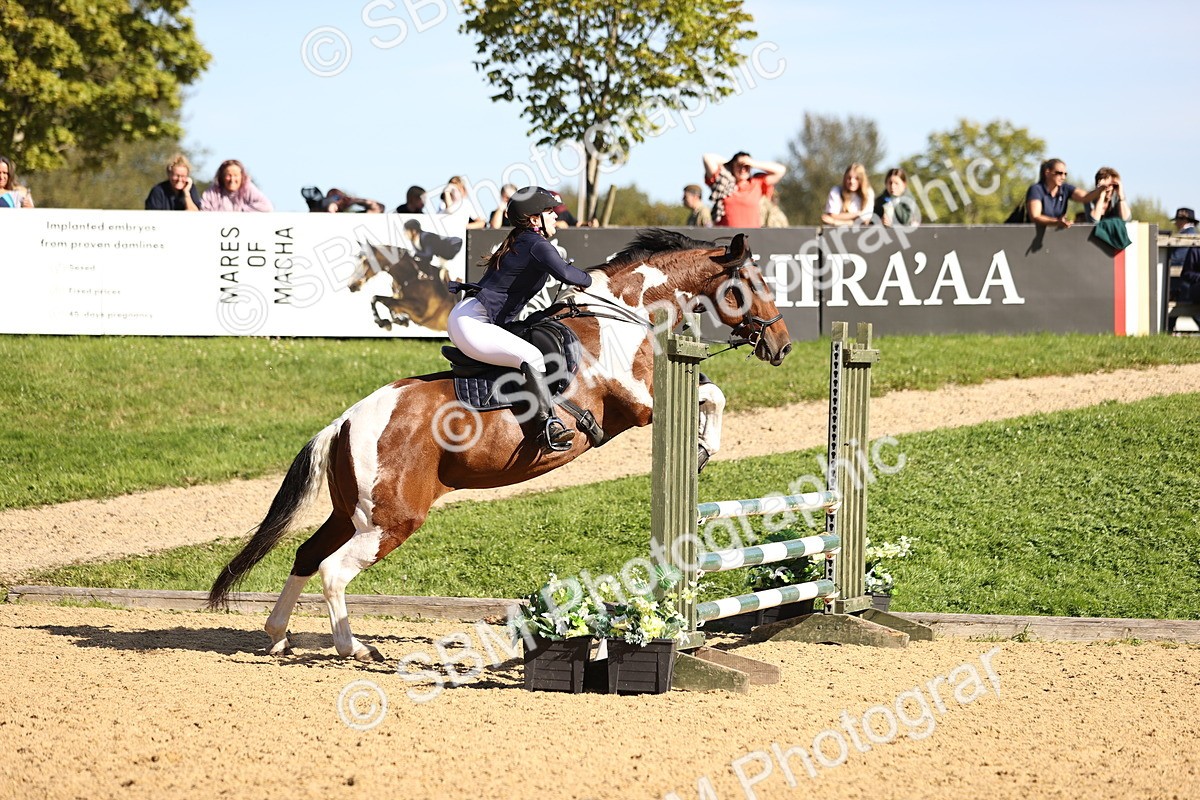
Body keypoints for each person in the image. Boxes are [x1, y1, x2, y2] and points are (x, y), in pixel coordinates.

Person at [446, 186, 593, 453]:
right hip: (473, 322)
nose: (556, 217)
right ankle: (548, 425)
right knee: (532, 356)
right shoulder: (536, 244)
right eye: (550, 212)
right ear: (534, 218)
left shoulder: (525, 240)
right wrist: (594, 278)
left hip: (470, 317)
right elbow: (569, 275)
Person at [703, 151, 786, 228]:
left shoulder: (757, 183)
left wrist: (753, 163)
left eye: (746, 166)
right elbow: (707, 158)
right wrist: (730, 162)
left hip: (750, 236)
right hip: (726, 235)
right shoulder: (723, 183)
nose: (743, 169)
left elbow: (781, 170)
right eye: (739, 166)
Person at [1023, 158, 1105, 228]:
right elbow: (1035, 216)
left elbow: (1085, 197)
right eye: (1059, 173)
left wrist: (1101, 189)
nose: (1063, 177)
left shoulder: (1065, 188)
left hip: (1055, 235)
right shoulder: (1036, 189)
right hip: (1031, 235)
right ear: (1047, 173)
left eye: (1065, 174)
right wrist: (1056, 222)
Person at [200, 159, 273, 212]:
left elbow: (267, 207)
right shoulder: (213, 192)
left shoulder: (248, 189)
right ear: (222, 177)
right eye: (228, 175)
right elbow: (203, 209)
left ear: (242, 176)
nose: (232, 179)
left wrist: (241, 211)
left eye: (236, 175)